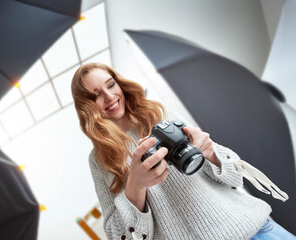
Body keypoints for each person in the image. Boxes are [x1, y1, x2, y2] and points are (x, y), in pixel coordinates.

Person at [71, 62, 294, 240]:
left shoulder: (160, 115)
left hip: (254, 228)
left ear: (119, 84)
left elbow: (234, 176)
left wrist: (210, 153)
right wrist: (136, 186)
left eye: (111, 85)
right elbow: (116, 234)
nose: (109, 97)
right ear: (86, 106)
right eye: (96, 95)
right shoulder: (99, 160)